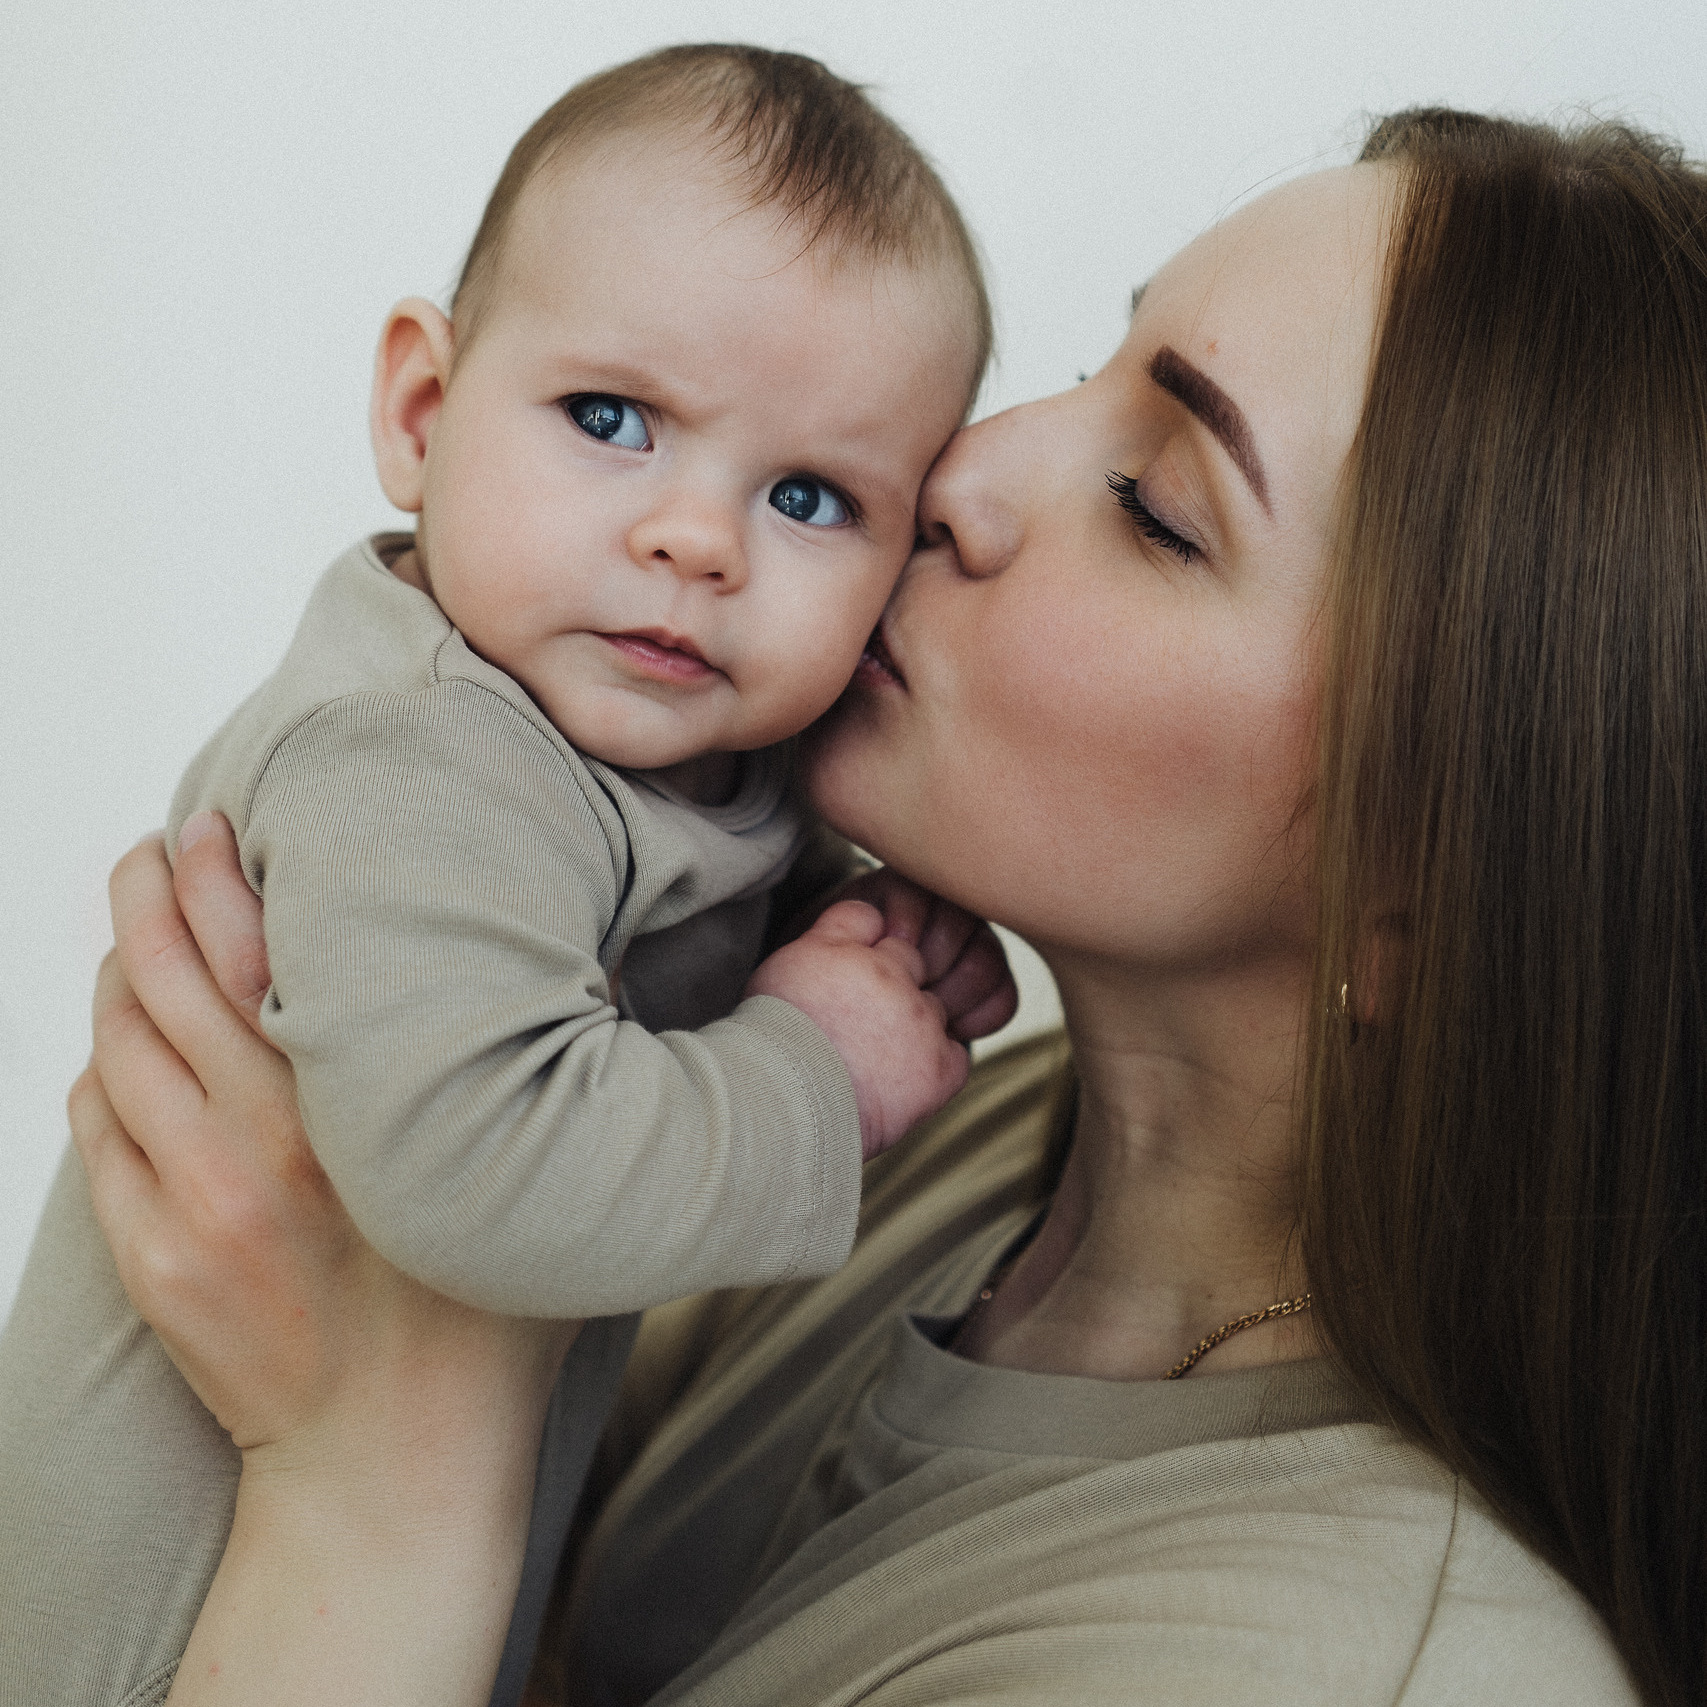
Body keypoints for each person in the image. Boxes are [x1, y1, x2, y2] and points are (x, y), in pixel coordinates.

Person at [57, 106, 1707, 1706]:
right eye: (1084, 374)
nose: (957, 479)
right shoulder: (948, 1139)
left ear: (1411, 908)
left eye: (1155, 507)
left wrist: (380, 1494)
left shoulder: (1343, 1669)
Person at [0, 44, 1021, 1707]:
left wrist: (851, 925)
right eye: (612, 419)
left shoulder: (633, 751)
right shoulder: (418, 759)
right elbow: (479, 1176)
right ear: (422, 411)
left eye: (811, 495)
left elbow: (688, 904)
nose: (700, 539)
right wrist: (823, 1066)